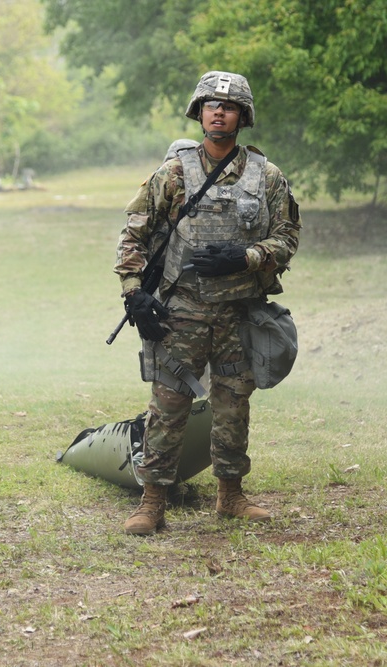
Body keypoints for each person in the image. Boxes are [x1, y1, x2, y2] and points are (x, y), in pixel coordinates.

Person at [114, 71, 301, 535]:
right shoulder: (173, 172)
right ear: (199, 113)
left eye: (229, 106)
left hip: (240, 311)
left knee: (234, 405)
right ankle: (152, 502)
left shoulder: (267, 177)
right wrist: (135, 294)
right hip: (182, 312)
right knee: (168, 405)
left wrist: (247, 255)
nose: (219, 112)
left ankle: (230, 495)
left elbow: (287, 237)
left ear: (243, 117)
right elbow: (134, 233)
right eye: (211, 105)